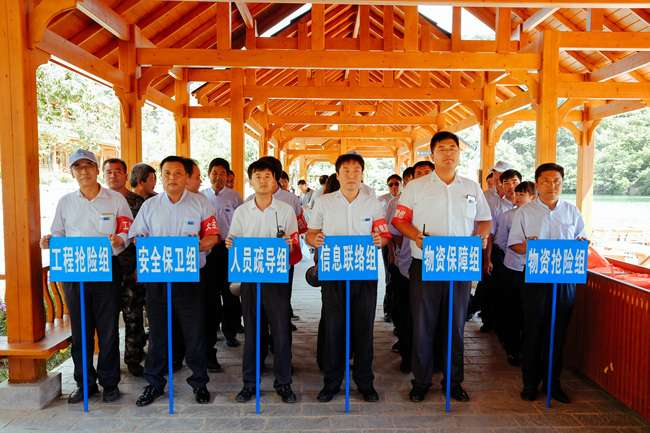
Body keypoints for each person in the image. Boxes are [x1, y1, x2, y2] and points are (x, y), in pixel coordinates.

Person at [393, 131, 491, 403]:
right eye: (442, 149)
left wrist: (481, 237)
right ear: (432, 154)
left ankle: (454, 381)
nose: (448, 153)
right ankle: (421, 381)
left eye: (453, 148)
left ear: (459, 153)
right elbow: (400, 221)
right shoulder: (416, 187)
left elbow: (484, 220)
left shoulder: (471, 187)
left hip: (459, 263)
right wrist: (415, 236)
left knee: (455, 326)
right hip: (425, 264)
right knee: (423, 325)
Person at [40, 149, 133, 404]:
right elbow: (57, 233)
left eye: (89, 166)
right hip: (74, 272)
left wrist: (119, 239)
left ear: (96, 169)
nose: (84, 171)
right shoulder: (65, 202)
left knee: (107, 330)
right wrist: (49, 241)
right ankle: (85, 384)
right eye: (78, 167)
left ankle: (110, 382)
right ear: (72, 172)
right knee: (81, 331)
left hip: (106, 270)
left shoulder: (115, 199)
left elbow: (126, 227)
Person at [129, 156, 221, 407]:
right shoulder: (150, 206)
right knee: (159, 333)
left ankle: (199, 382)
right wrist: (142, 240)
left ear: (186, 176)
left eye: (178, 173)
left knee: (194, 333)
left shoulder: (200, 204)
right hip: (158, 279)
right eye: (167, 173)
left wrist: (198, 245)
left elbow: (213, 236)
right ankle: (154, 383)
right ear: (161, 177)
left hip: (190, 279)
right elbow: (136, 235)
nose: (172, 177)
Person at [306, 152, 391, 403]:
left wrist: (380, 240)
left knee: (364, 328)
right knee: (334, 328)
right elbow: (311, 235)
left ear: (362, 174)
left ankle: (365, 382)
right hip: (334, 272)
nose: (351, 175)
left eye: (356, 171)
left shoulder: (372, 203)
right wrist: (316, 240)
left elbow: (384, 235)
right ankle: (331, 382)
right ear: (338, 174)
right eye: (346, 171)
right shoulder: (324, 202)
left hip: (364, 273)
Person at [508, 163, 587, 404]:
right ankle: (530, 384)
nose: (552, 185)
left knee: (557, 333)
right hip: (535, 279)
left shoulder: (572, 211)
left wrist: (582, 242)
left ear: (562, 183)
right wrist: (530, 246)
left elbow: (581, 240)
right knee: (533, 331)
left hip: (564, 280)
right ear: (537, 183)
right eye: (546, 181)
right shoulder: (524, 211)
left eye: (557, 181)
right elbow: (514, 245)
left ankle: (553, 384)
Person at [226, 159, 300, 404]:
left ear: (275, 180)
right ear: (251, 181)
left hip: (277, 280)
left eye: (268, 176)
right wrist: (230, 244)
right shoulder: (242, 211)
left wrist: (289, 246)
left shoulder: (285, 210)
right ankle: (249, 383)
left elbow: (293, 248)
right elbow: (233, 240)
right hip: (250, 279)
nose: (263, 181)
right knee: (253, 333)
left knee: (280, 333)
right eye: (258, 176)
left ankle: (284, 383)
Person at [102, 158, 146, 377]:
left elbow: (142, 236)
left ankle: (133, 357)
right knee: (107, 316)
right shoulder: (101, 200)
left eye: (118, 171)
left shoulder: (136, 201)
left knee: (133, 315)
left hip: (130, 267)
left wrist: (141, 265)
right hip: (103, 268)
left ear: (126, 175)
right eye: (108, 172)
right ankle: (109, 361)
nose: (113, 175)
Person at [201, 157, 244, 372]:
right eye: (214, 173)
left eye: (222, 174)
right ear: (208, 174)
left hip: (229, 249)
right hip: (207, 250)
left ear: (228, 176)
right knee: (210, 293)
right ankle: (213, 331)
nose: (218, 178)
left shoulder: (235, 197)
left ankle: (231, 332)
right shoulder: (200, 197)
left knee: (230, 292)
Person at [496, 181, 537, 367]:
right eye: (517, 193)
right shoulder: (507, 216)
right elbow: (502, 241)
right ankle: (512, 348)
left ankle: (529, 348)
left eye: (523, 194)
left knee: (530, 311)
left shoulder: (540, 216)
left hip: (536, 272)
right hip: (513, 268)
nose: (518, 196)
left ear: (533, 197)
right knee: (511, 309)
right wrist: (516, 251)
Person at [481, 169, 521, 336]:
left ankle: (512, 330)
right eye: (507, 183)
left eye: (514, 182)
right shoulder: (496, 207)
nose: (511, 186)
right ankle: (497, 327)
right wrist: (487, 259)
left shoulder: (528, 207)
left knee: (515, 295)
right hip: (499, 254)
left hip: (521, 256)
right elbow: (489, 236)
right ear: (501, 185)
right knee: (496, 292)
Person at [379, 174, 403, 323]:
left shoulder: (407, 199)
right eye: (390, 184)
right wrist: (392, 253)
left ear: (401, 184)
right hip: (388, 242)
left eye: (396, 184)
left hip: (404, 243)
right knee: (390, 276)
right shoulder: (382, 200)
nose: (394, 187)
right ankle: (388, 310)